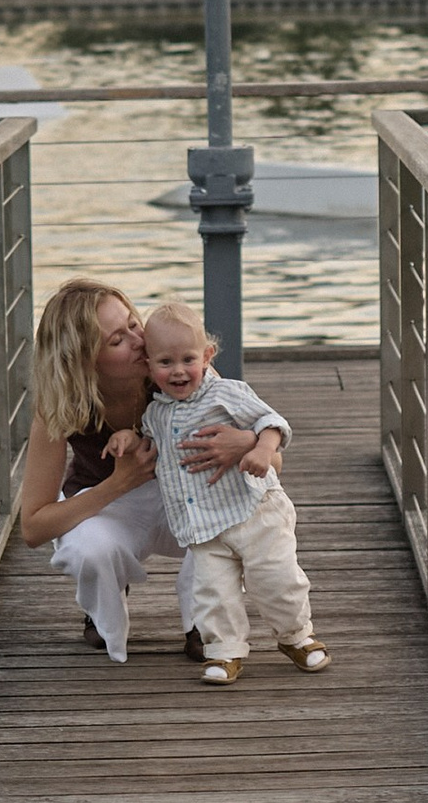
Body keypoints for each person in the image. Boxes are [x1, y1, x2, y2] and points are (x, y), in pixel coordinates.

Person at [18, 280, 265, 662]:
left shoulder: (176, 369)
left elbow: (268, 453)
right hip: (110, 506)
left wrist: (248, 442)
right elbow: (33, 528)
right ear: (85, 360)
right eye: (117, 340)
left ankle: (205, 622)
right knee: (92, 549)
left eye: (133, 323)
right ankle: (104, 611)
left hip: (184, 500)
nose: (138, 340)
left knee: (237, 520)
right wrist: (118, 483)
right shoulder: (61, 404)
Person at [137, 296, 327, 686]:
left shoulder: (226, 393)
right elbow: (148, 441)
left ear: (207, 356)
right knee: (212, 594)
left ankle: (297, 637)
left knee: (277, 581)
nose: (178, 371)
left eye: (188, 359)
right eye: (165, 362)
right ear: (148, 366)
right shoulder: (154, 414)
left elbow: (272, 422)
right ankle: (225, 652)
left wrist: (261, 448)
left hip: (254, 510)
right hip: (204, 526)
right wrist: (128, 437)